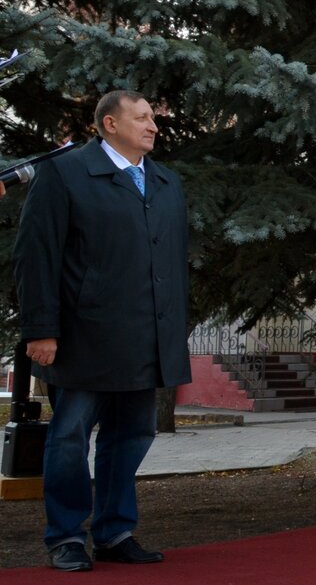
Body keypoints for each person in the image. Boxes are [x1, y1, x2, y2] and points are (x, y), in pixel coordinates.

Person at [15, 90, 191, 572]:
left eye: (153, 117)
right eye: (141, 118)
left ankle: (115, 532)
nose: (153, 125)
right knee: (71, 438)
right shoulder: (65, 173)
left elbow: (172, 265)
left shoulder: (165, 182)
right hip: (83, 336)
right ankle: (66, 536)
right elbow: (37, 256)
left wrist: (174, 332)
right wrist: (41, 329)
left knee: (132, 435)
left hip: (144, 338)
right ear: (109, 125)